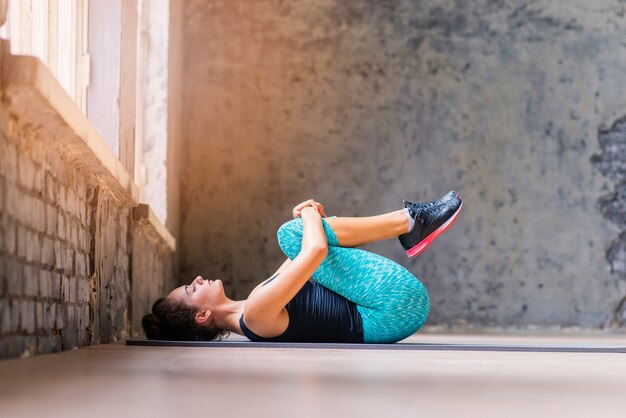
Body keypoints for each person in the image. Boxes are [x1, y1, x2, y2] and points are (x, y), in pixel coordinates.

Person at [142, 192, 463, 344]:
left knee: (300, 233)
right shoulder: (254, 314)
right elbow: (315, 249)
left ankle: (412, 224)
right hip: (389, 311)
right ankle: (411, 222)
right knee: (293, 233)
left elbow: (318, 251)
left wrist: (316, 220)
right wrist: (308, 213)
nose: (197, 280)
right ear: (201, 315)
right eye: (191, 289)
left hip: (392, 312)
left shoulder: (254, 303)